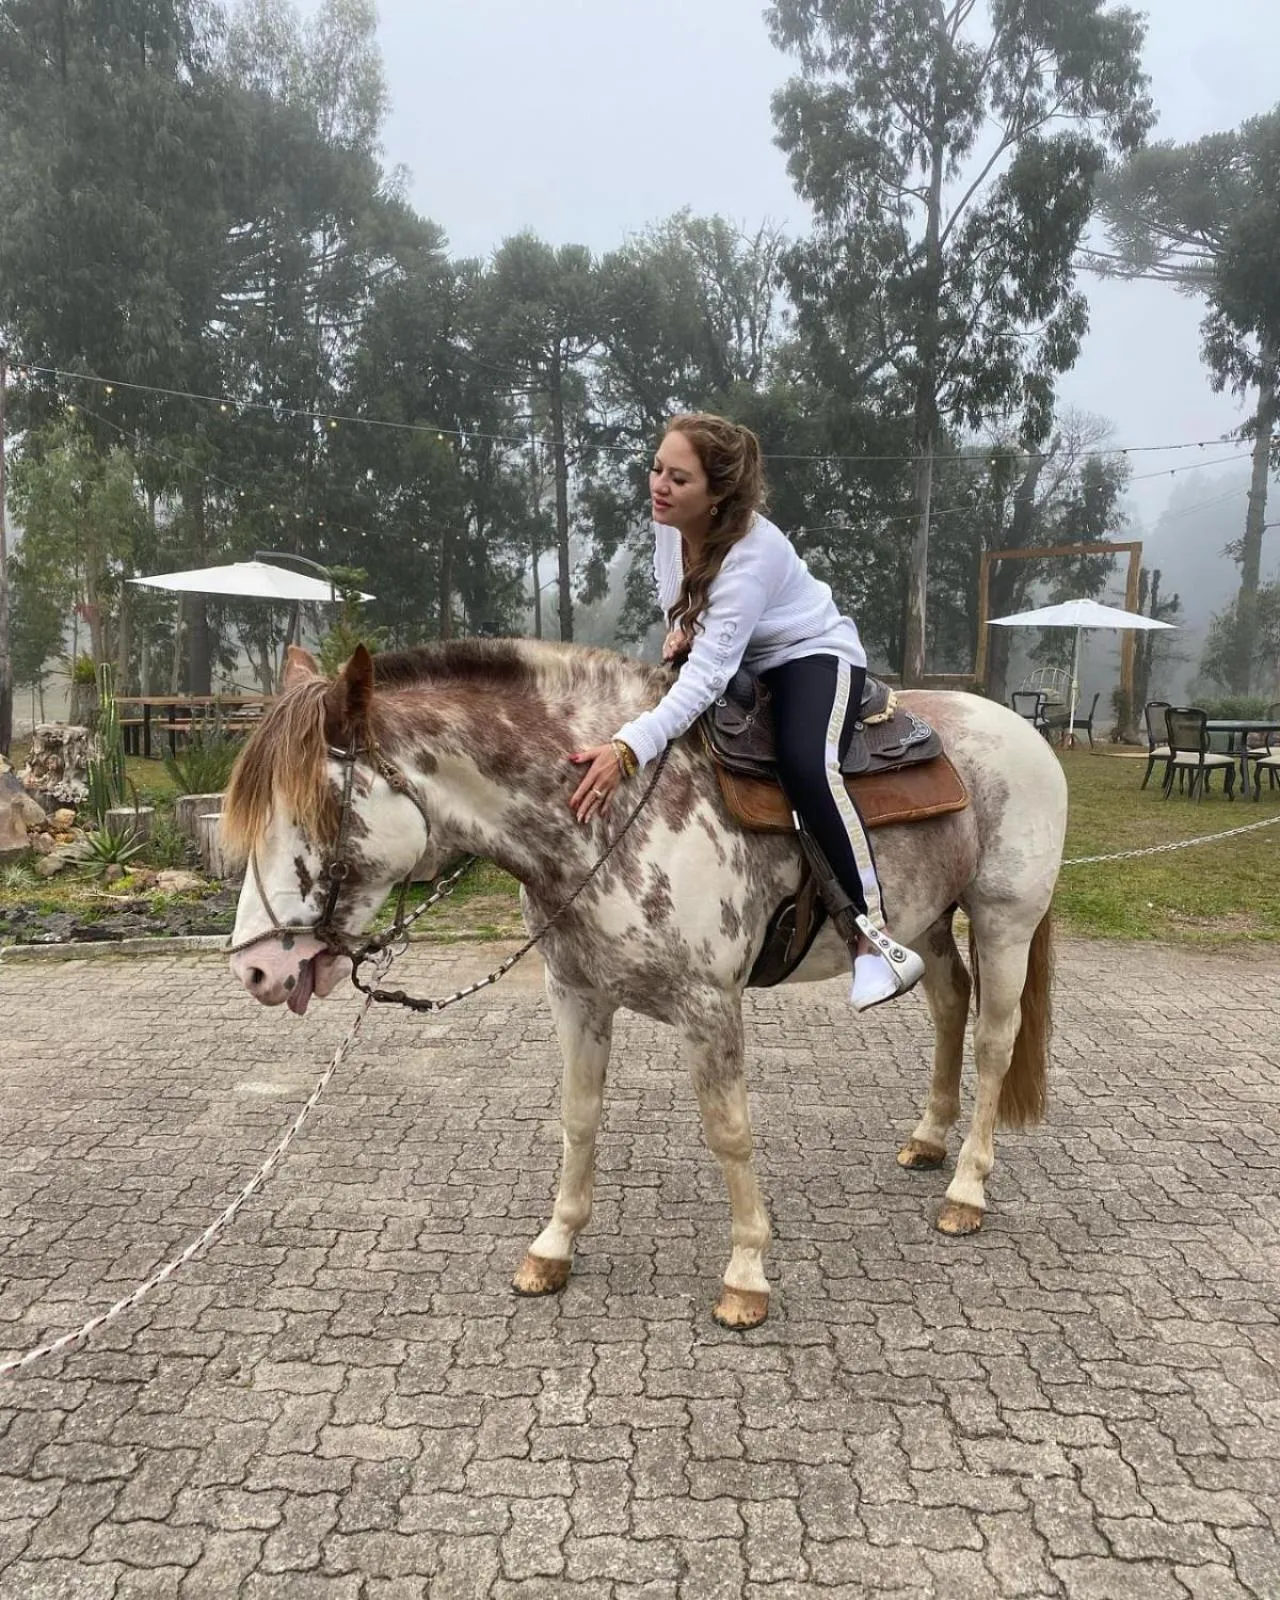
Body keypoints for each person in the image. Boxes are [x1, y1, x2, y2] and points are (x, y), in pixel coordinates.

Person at [568, 412, 924, 1012]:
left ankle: (872, 939)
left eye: (679, 479)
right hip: (741, 654)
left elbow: (708, 676)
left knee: (806, 765)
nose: (659, 485)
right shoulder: (667, 525)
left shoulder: (753, 553)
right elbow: (681, 607)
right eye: (657, 469)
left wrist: (628, 749)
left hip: (811, 656)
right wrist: (684, 631)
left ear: (718, 496)